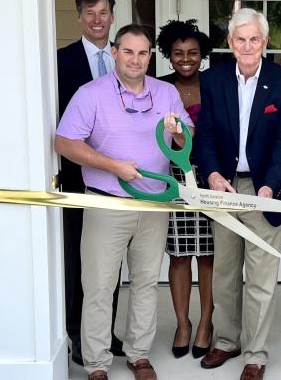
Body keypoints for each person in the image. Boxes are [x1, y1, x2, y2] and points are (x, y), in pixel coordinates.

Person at [55, 24, 194, 380]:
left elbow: (186, 138)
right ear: (114, 52)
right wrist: (112, 165)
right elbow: (65, 143)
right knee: (99, 286)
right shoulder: (91, 94)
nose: (136, 59)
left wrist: (180, 133)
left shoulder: (165, 92)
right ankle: (97, 362)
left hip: (154, 204)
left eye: (143, 52)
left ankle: (139, 354)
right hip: (108, 204)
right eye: (128, 51)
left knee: (147, 283)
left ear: (151, 56)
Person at [195, 8, 281, 380]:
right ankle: (227, 340)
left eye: (254, 39)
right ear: (230, 43)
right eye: (240, 39)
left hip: (264, 188)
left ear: (265, 42)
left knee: (260, 275)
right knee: (224, 272)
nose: (247, 46)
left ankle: (255, 354)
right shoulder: (213, 80)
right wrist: (211, 173)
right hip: (223, 187)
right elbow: (204, 133)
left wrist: (269, 185)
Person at [55, 0, 125, 366]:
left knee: (110, 261)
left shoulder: (126, 57)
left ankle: (105, 332)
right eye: (90, 14)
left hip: (120, 182)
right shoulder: (61, 61)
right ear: (79, 18)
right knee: (80, 261)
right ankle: (78, 334)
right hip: (77, 180)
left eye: (103, 12)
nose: (97, 20)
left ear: (112, 16)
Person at [154, 19, 215, 359]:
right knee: (179, 254)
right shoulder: (159, 88)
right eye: (178, 53)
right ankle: (183, 324)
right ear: (168, 55)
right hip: (173, 175)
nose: (186, 58)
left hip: (211, 174)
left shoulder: (216, 85)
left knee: (208, 255)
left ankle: (206, 322)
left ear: (202, 55)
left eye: (193, 52)